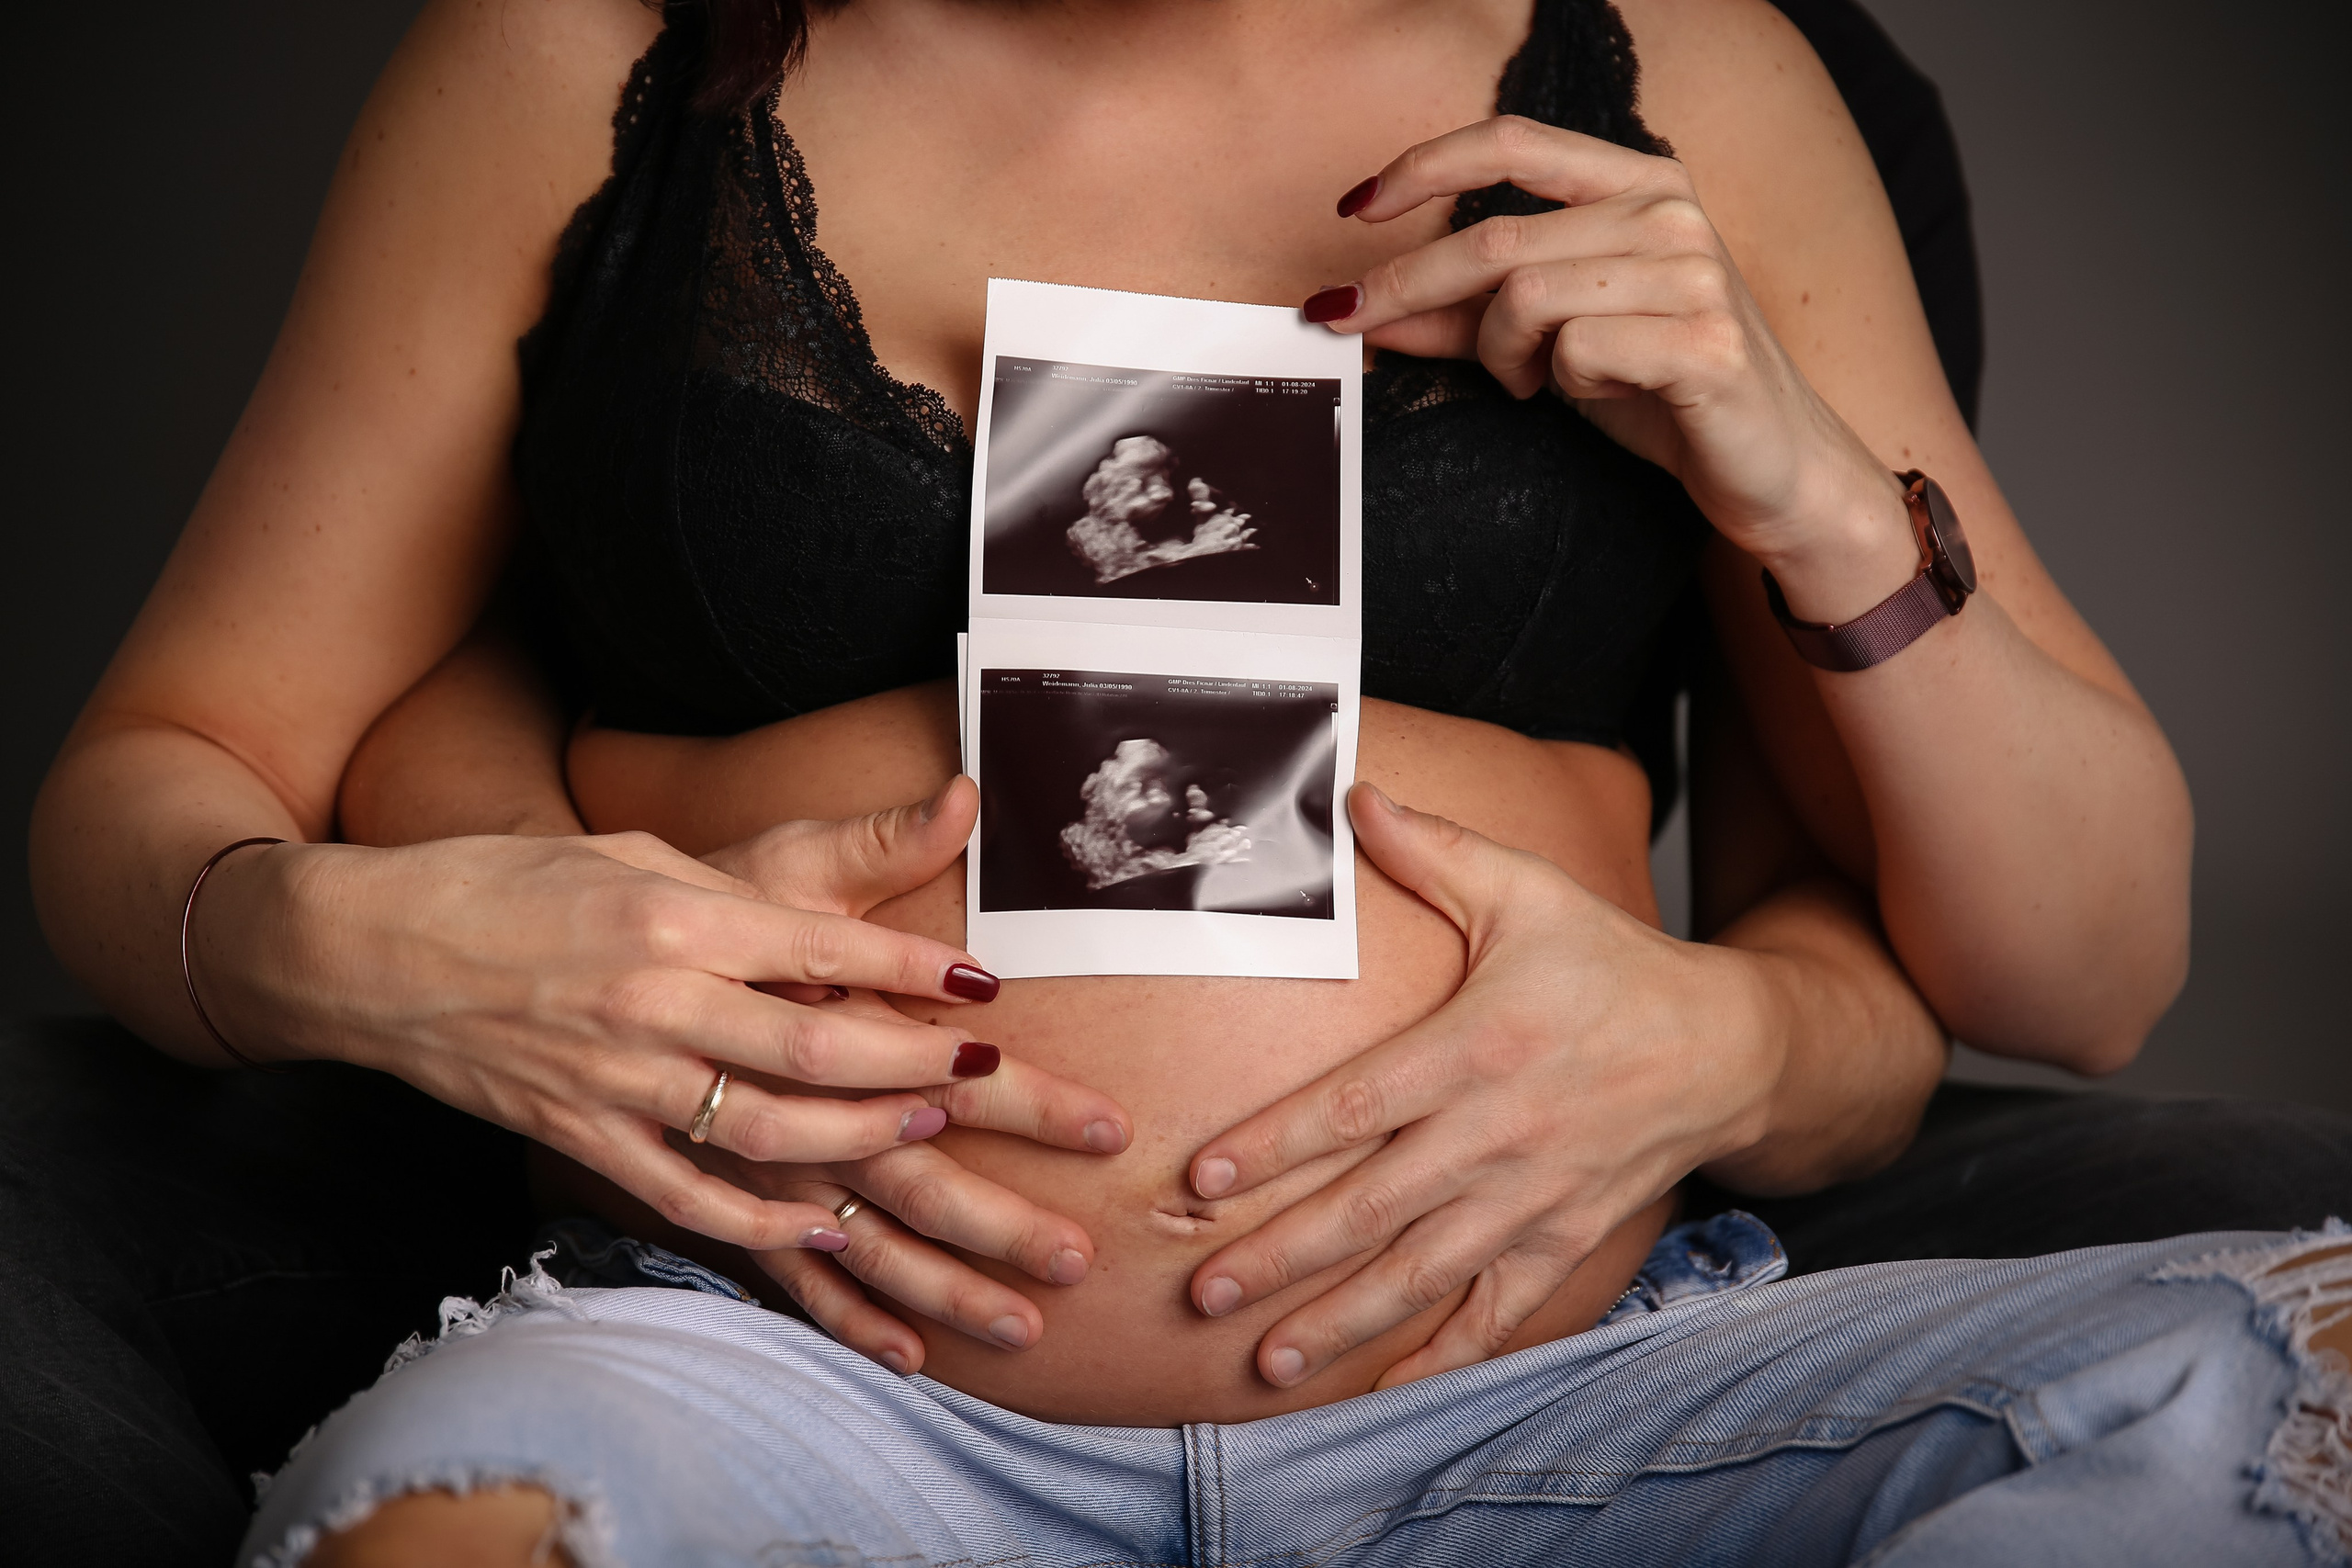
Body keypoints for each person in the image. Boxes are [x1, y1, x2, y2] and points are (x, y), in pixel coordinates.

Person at [18, 0, 2348, 1562]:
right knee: (439, 1525)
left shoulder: (1685, 73)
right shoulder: (583, 59)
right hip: (771, 1361)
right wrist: (348, 930)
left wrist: (1813, 484)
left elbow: (2082, 969)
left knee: (2296, 1375)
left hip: (1583, 1400)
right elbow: (166, 769)